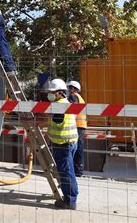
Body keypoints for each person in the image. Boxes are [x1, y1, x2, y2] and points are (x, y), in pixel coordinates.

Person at [47, 78, 78, 210]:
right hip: (68, 142)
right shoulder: (64, 103)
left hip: (63, 144)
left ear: (59, 93)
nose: (50, 94)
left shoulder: (59, 106)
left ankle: (70, 201)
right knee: (67, 171)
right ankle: (70, 196)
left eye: (52, 92)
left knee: (66, 172)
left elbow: (53, 119)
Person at [67, 80, 87, 177]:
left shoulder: (73, 96)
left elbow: (71, 109)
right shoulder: (80, 97)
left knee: (76, 147)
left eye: (70, 87)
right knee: (79, 147)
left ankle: (77, 170)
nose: (68, 89)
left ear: (74, 89)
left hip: (77, 125)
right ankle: (78, 169)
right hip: (81, 125)